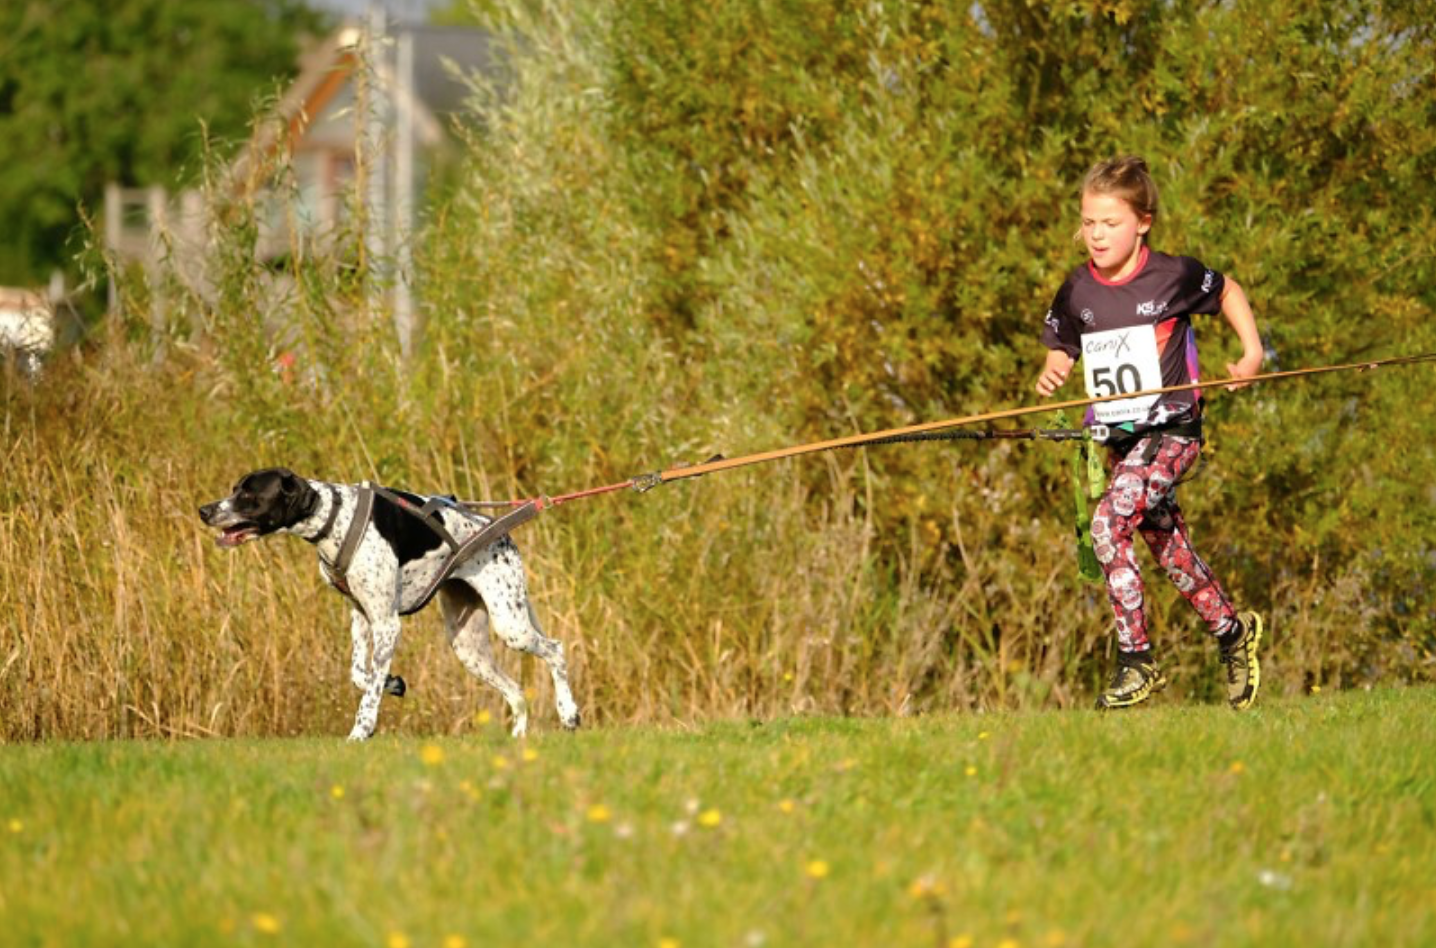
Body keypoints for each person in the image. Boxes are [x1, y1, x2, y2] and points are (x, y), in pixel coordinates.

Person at [1035, 155, 1265, 710]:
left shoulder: (1173, 275)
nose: (1096, 234)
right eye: (1089, 223)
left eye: (1109, 223)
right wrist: (1056, 366)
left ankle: (1136, 660)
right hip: (1120, 444)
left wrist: (1251, 352)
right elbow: (1063, 339)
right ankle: (1233, 633)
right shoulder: (1077, 290)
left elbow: (1228, 290)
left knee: (1109, 523)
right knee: (1170, 549)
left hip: (1174, 434)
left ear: (1142, 222)